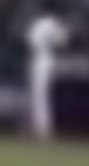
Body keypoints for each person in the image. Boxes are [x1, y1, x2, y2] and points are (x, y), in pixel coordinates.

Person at [25, 10, 65, 141]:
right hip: (51, 59)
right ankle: (43, 128)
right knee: (45, 95)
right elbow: (63, 41)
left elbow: (31, 42)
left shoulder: (40, 24)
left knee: (39, 95)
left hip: (40, 59)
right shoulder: (55, 24)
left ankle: (42, 129)